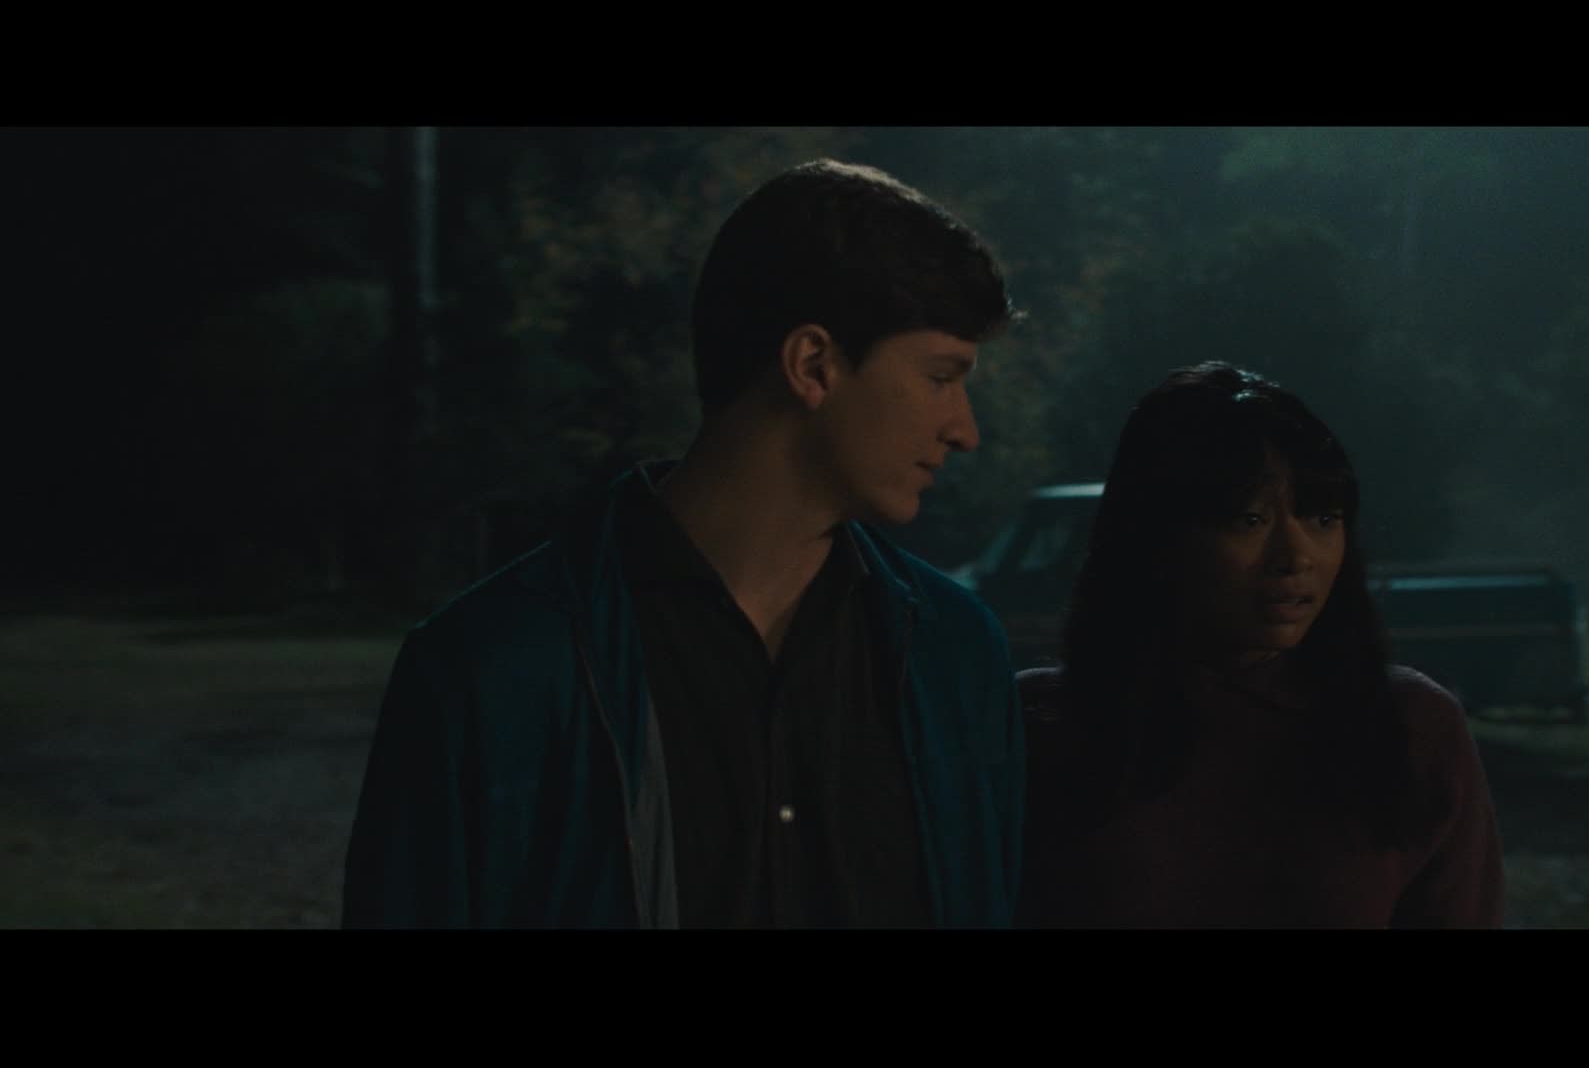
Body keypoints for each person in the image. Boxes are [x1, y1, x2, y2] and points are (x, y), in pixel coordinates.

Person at [343, 159, 1026, 928]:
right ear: (814, 365)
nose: (964, 430)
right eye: (940, 377)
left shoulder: (955, 656)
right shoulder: (490, 672)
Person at [1017, 361, 1503, 928]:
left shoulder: (1411, 726)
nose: (1295, 557)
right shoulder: (1039, 725)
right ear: (1157, 535)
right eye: (1249, 520)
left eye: (1322, 518)